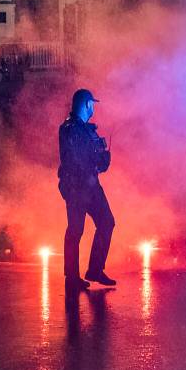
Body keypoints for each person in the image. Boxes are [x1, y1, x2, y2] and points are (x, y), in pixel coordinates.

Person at [58, 88, 116, 290]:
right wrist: (95, 160)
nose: (94, 108)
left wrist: (102, 161)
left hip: (90, 185)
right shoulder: (70, 128)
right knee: (75, 230)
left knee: (106, 222)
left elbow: (92, 157)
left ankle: (94, 270)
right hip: (76, 187)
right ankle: (72, 277)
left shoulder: (86, 129)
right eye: (92, 104)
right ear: (86, 104)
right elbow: (76, 157)